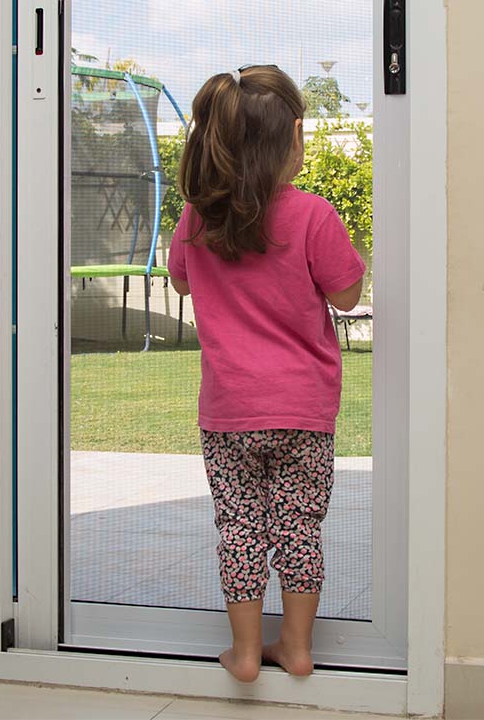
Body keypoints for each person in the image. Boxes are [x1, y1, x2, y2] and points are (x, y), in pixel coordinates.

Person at [167, 65, 364, 683]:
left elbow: (180, 280)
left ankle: (247, 653)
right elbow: (349, 295)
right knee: (300, 526)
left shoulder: (196, 219)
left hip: (229, 414)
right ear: (292, 139)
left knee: (241, 530)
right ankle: (296, 647)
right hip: (304, 413)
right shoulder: (312, 215)